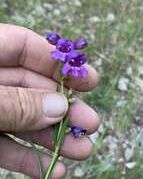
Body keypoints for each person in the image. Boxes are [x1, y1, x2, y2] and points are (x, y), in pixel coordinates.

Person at [0, 24, 100, 179]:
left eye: (68, 49)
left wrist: (71, 61)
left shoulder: (69, 62)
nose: (67, 50)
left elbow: (71, 60)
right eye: (63, 48)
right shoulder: (64, 61)